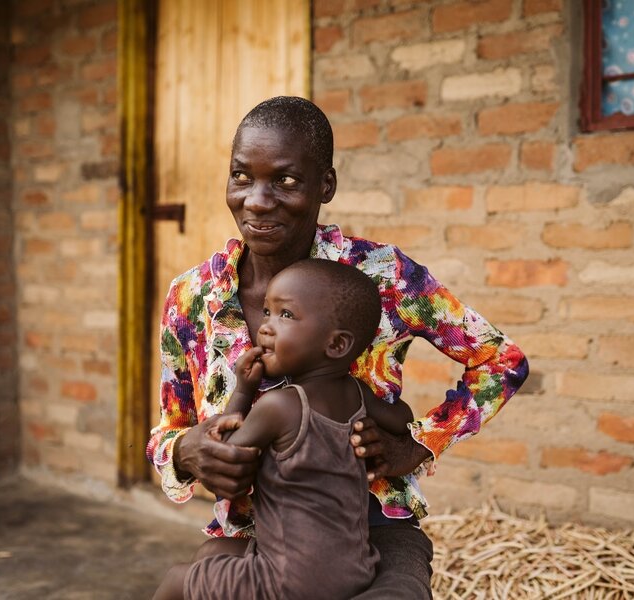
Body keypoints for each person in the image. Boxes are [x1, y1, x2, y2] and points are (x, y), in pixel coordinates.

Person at [147, 96, 530, 599]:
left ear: (325, 185)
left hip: (371, 527)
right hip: (252, 536)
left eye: (285, 180)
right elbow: (168, 431)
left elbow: (500, 361)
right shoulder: (192, 297)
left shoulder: (380, 277)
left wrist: (417, 444)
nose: (257, 200)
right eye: (242, 176)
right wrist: (185, 452)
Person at [154, 259, 415, 600]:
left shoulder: (280, 406)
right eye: (266, 312)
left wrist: (243, 392)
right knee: (213, 554)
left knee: (177, 580)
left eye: (286, 315)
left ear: (336, 345)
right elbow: (403, 417)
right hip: (353, 570)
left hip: (289, 580)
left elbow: (225, 450)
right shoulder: (358, 393)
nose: (266, 327)